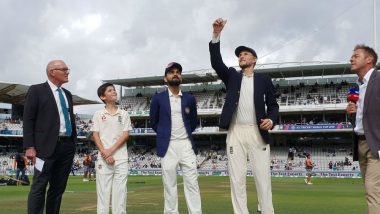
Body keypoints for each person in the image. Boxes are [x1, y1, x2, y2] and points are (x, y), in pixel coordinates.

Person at [209, 18, 279, 214]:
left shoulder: (264, 80)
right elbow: (216, 62)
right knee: (237, 179)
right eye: (239, 54)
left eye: (245, 54)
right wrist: (216, 35)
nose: (241, 56)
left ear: (254, 59)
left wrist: (271, 120)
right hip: (235, 132)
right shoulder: (232, 75)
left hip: (257, 132)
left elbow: (273, 106)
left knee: (262, 178)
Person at [23, 59, 77, 213]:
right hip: (43, 148)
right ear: (52, 72)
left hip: (66, 146)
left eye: (68, 69)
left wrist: (72, 144)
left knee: (58, 189)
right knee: (39, 186)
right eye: (64, 69)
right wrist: (30, 146)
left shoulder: (67, 94)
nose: (67, 72)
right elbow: (28, 119)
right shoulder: (36, 90)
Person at [150, 62, 202, 214]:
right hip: (168, 146)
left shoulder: (189, 98)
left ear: (181, 76)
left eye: (178, 72)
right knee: (169, 184)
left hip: (186, 145)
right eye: (171, 72)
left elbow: (192, 122)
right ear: (165, 78)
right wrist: (165, 134)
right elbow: (154, 122)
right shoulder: (158, 98)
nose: (175, 74)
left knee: (192, 183)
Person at [346, 44, 380, 213]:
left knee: (372, 189)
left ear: (369, 60)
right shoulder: (356, 87)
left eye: (356, 56)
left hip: (376, 144)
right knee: (373, 192)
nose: (351, 58)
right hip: (360, 144)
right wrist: (351, 113)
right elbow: (362, 119)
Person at [92, 82, 132, 214]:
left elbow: (125, 135)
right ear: (103, 97)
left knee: (120, 195)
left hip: (121, 158)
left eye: (114, 90)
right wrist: (105, 153)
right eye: (110, 91)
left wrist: (111, 151)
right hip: (103, 159)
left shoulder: (124, 114)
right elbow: (95, 135)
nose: (114, 92)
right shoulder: (98, 114)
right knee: (103, 194)